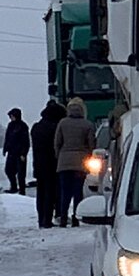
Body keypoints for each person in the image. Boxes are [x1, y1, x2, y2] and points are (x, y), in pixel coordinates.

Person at [53, 97, 96, 227]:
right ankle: (76, 218)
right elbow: (91, 145)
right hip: (80, 164)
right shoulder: (87, 124)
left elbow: (57, 143)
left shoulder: (62, 123)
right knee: (78, 192)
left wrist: (59, 157)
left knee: (65, 192)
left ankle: (63, 218)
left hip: (64, 163)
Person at [30, 100, 66, 228]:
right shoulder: (56, 128)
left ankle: (41, 219)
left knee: (41, 192)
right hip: (53, 165)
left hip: (39, 165)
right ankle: (48, 219)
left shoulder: (36, 127)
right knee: (52, 193)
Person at [2, 107, 30, 195]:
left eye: (12, 116)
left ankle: (22, 190)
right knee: (8, 170)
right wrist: (5, 148)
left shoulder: (23, 126)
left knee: (21, 173)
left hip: (20, 154)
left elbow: (26, 141)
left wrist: (23, 153)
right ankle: (13, 187)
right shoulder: (10, 125)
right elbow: (7, 138)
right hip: (11, 153)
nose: (11, 118)